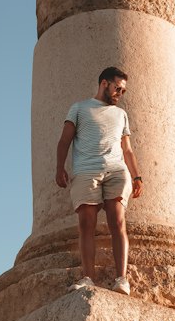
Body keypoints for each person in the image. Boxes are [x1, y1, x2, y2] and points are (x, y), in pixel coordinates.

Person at [55, 66, 143, 295]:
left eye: (123, 91)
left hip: (116, 170)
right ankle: (88, 278)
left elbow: (128, 149)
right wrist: (59, 167)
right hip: (86, 171)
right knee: (86, 224)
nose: (119, 94)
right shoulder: (79, 108)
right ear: (104, 83)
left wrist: (137, 175)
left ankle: (122, 279)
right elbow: (64, 140)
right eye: (117, 88)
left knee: (118, 221)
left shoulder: (121, 114)